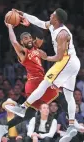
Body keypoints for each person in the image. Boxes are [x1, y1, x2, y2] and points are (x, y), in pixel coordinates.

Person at [5, 8, 82, 142]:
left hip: (65, 62)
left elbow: (58, 57)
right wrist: (24, 15)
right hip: (69, 63)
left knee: (46, 83)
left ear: (56, 19)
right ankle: (71, 125)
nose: (50, 15)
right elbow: (39, 23)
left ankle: (23, 107)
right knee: (68, 95)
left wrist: (46, 57)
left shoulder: (62, 34)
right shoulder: (53, 26)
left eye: (52, 15)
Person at [4, 19, 58, 114]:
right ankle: (72, 122)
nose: (28, 39)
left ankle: (6, 126)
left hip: (41, 80)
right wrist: (9, 27)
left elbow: (40, 35)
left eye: (29, 37)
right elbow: (13, 41)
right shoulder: (23, 52)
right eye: (25, 38)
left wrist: (30, 24)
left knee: (32, 111)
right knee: (60, 96)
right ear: (22, 42)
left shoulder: (36, 48)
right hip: (34, 82)